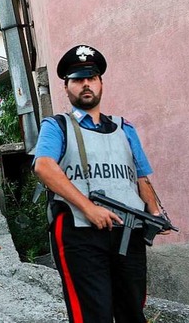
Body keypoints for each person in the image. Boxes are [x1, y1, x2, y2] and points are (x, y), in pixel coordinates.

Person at [33, 44, 168, 323]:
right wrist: (89, 208)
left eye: (91, 78)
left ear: (100, 83)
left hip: (128, 230)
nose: (86, 85)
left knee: (133, 309)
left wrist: (155, 213)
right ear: (66, 87)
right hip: (80, 231)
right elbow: (43, 166)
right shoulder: (57, 126)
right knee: (92, 314)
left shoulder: (124, 128)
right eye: (78, 80)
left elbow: (140, 176)